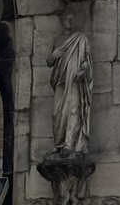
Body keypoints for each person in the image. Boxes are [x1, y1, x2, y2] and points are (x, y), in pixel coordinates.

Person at [48, 12, 93, 154]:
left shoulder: (80, 39)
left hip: (74, 80)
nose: (69, 21)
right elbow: (49, 62)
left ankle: (69, 144)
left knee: (73, 110)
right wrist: (52, 56)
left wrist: (82, 71)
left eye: (72, 19)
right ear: (62, 21)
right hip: (60, 80)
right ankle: (58, 143)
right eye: (67, 19)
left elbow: (87, 60)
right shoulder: (58, 40)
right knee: (57, 113)